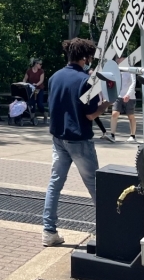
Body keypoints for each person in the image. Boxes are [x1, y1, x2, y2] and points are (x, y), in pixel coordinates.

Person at [43, 37, 113, 247]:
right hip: (79, 139)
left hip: (58, 138)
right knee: (95, 185)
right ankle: (108, 232)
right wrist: (105, 105)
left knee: (55, 184)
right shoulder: (86, 81)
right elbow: (90, 114)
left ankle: (49, 231)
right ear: (85, 58)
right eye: (89, 57)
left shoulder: (54, 77)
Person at [108, 57, 138, 143]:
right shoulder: (116, 69)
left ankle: (133, 136)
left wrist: (128, 94)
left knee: (130, 115)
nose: (118, 60)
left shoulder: (130, 68)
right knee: (114, 113)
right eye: (117, 58)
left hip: (130, 96)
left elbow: (133, 82)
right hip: (118, 95)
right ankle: (112, 135)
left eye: (120, 58)